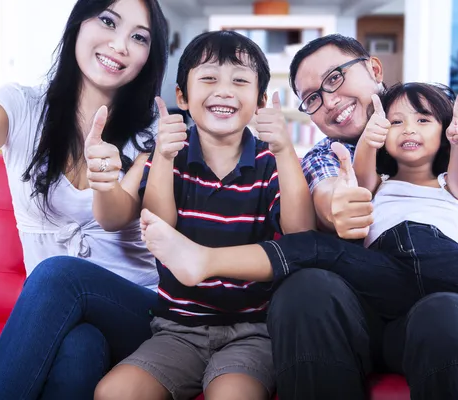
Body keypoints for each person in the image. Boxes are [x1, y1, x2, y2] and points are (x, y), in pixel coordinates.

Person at [143, 34, 458, 400]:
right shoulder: (328, 154)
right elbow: (328, 194)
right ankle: (203, 260)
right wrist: (338, 203)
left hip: (452, 308)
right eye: (314, 98)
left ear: (373, 69)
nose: (330, 101)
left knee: (443, 313)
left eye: (335, 78)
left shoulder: (440, 122)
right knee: (304, 287)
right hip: (366, 311)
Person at [0, 0, 167, 398]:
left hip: (139, 312)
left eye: (139, 37)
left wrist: (106, 184)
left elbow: (117, 216)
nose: (120, 44)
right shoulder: (22, 106)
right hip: (66, 318)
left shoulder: (152, 135)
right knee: (79, 349)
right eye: (108, 21)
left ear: (148, 58)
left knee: (56, 274)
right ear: (78, 24)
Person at [92, 30, 315, 400]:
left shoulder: (269, 162)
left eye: (240, 81)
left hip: (251, 332)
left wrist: (285, 149)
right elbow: (160, 229)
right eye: (209, 78)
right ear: (183, 96)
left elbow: (300, 233)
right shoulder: (168, 155)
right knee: (113, 392)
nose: (224, 90)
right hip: (176, 329)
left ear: (260, 101)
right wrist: (163, 157)